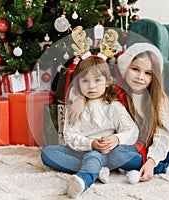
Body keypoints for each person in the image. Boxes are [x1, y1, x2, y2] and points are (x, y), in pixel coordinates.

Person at [67, 42, 169, 183]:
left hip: (152, 150)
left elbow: (164, 133)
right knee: (117, 155)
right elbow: (91, 85)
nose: (140, 77)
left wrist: (152, 162)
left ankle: (150, 165)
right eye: (135, 69)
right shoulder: (116, 89)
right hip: (126, 149)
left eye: (147, 73)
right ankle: (167, 168)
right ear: (125, 67)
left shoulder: (157, 97)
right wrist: (78, 99)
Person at [41, 56, 139, 198]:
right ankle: (97, 167)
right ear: (78, 84)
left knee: (100, 156)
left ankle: (84, 179)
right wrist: (90, 143)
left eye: (97, 80)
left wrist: (116, 139)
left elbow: (131, 130)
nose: (91, 86)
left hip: (106, 151)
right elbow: (69, 135)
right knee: (48, 153)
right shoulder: (76, 108)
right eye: (85, 81)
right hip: (81, 150)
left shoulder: (114, 107)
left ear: (107, 82)